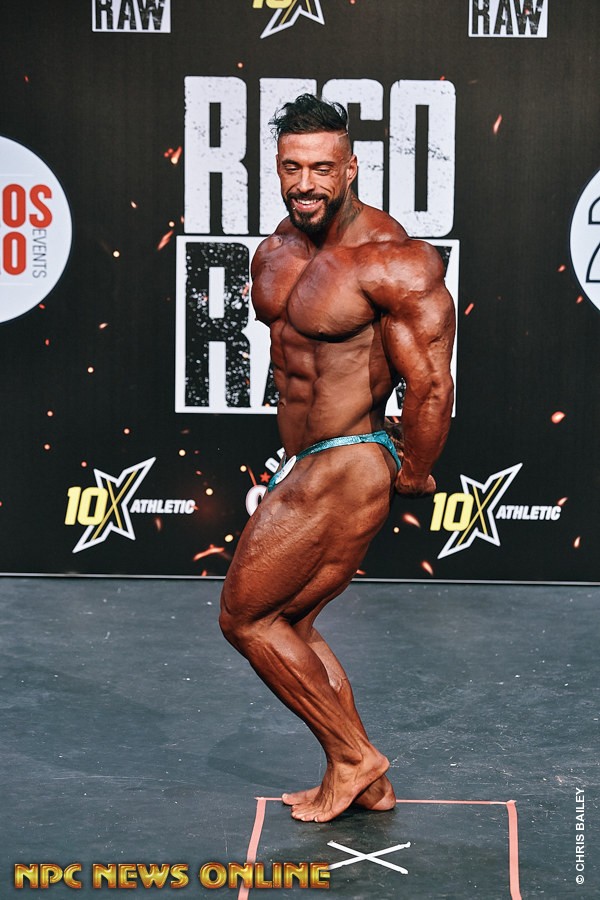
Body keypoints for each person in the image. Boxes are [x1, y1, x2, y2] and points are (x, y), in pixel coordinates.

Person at [219, 94, 455, 823]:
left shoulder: (392, 258)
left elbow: (430, 381)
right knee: (288, 623)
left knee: (245, 618)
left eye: (322, 168)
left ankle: (355, 758)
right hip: (308, 461)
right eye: (292, 167)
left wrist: (413, 470)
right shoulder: (276, 251)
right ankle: (366, 781)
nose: (306, 183)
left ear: (350, 169)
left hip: (349, 459)